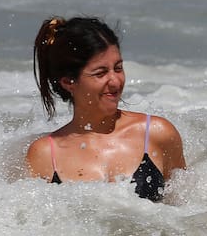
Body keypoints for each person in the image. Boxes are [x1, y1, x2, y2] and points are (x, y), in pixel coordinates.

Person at [25, 16, 185, 201]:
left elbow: (186, 209)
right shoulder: (45, 155)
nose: (115, 81)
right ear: (69, 82)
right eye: (100, 73)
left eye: (118, 68)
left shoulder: (156, 133)